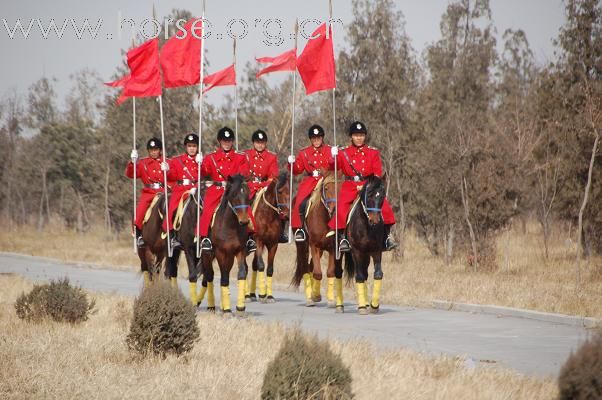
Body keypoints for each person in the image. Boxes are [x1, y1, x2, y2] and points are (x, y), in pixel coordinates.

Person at [327, 121, 397, 252]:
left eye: (361, 135)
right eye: (356, 135)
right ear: (351, 137)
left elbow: (377, 173)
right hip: (350, 186)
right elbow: (333, 167)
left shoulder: (373, 152)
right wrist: (333, 156)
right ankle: (343, 238)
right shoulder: (344, 153)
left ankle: (387, 236)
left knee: (384, 206)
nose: (359, 138)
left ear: (365, 136)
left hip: (369, 185)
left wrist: (368, 186)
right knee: (341, 208)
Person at [198, 126, 256, 253]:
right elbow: (205, 172)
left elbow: (244, 172)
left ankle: (250, 237)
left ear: (232, 141)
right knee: (207, 210)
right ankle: (205, 237)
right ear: (220, 141)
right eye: (224, 141)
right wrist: (200, 164)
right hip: (217, 189)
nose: (226, 143)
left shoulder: (240, 157)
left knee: (246, 209)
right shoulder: (211, 157)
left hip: (233, 190)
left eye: (229, 140)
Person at [288, 124, 334, 242]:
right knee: (300, 202)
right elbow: (297, 170)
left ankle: (339, 230)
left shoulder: (329, 150)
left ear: (322, 138)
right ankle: (300, 229)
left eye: (318, 138)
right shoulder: (304, 153)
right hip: (310, 182)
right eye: (314, 138)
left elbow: (335, 166)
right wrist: (292, 164)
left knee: (337, 201)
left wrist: (335, 157)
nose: (316, 140)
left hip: (326, 181)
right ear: (310, 139)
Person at [244, 129, 288, 243]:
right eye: (258, 142)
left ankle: (281, 231)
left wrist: (265, 185)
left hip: (265, 187)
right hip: (250, 186)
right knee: (243, 205)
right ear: (253, 143)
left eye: (262, 142)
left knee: (278, 204)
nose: (260, 145)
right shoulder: (246, 155)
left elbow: (273, 176)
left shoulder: (271, 157)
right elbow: (243, 174)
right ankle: (246, 232)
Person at [125, 137, 168, 248]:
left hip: (164, 192)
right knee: (139, 211)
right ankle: (139, 234)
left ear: (160, 150)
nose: (154, 152)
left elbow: (173, 176)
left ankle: (173, 235)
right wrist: (132, 163)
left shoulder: (166, 162)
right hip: (149, 192)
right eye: (151, 150)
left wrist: (168, 169)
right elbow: (130, 174)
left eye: (156, 149)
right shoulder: (143, 163)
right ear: (148, 151)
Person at [161, 133, 201, 250]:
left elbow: (207, 174)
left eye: (194, 146)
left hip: (197, 189)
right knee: (172, 209)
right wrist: (167, 170)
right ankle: (172, 236)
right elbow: (172, 176)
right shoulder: (177, 160)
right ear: (185, 147)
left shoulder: (201, 160)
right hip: (181, 190)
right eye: (190, 146)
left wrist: (201, 164)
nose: (192, 148)